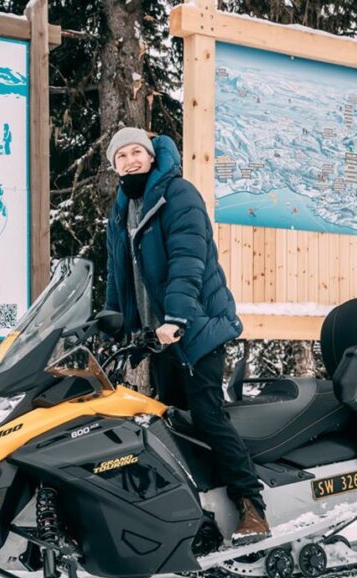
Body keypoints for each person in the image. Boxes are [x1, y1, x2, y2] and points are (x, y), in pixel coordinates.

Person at [103, 127, 270, 546]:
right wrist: (111, 324)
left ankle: (251, 506)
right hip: (159, 337)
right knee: (171, 427)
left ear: (152, 156)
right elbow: (118, 274)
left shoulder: (177, 193)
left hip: (196, 327)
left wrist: (176, 316)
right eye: (120, 156)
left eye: (137, 152)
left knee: (208, 416)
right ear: (114, 166)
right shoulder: (122, 207)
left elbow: (188, 257)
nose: (130, 161)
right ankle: (205, 516)